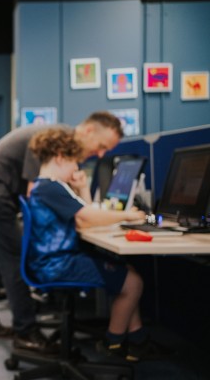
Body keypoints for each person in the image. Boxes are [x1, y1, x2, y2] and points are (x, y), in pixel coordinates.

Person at [0, 111, 124, 352]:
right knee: (13, 259)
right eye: (101, 146)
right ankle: (26, 331)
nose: (101, 154)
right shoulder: (52, 140)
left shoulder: (58, 141)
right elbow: (34, 191)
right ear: (89, 131)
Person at [27, 127, 162, 362]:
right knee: (133, 283)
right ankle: (113, 343)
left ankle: (137, 340)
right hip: (58, 265)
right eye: (75, 162)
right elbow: (87, 217)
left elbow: (84, 216)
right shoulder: (52, 187)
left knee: (127, 272)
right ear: (60, 157)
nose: (76, 168)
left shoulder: (45, 186)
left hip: (52, 261)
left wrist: (81, 188)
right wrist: (127, 215)